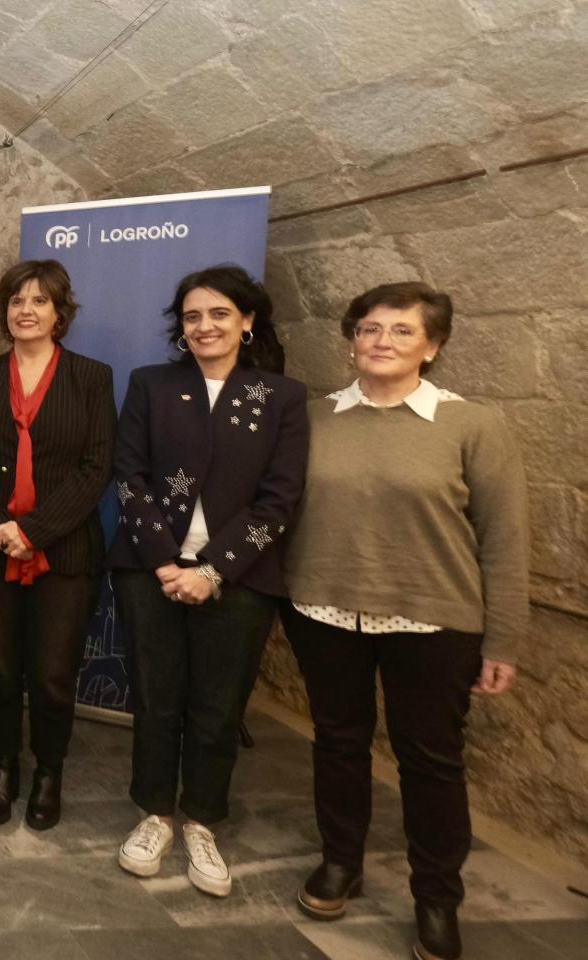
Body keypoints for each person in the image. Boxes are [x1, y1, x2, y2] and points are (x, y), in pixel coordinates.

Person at [283, 283, 528, 960]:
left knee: (430, 762)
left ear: (434, 345)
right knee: (337, 742)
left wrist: (504, 636)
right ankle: (341, 862)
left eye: (400, 330)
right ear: (352, 340)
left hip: (433, 621)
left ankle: (437, 899)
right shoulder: (315, 417)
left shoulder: (472, 426)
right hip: (325, 608)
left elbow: (504, 539)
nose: (380, 341)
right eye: (367, 329)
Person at [106, 264, 308, 898]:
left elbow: (279, 501)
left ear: (247, 321)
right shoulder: (153, 385)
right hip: (150, 569)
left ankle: (202, 820)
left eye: (220, 314)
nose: (205, 326)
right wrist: (168, 561)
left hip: (240, 580)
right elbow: (128, 474)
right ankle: (156, 815)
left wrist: (212, 571)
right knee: (156, 698)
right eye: (193, 316)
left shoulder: (279, 397)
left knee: (218, 707)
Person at [0, 260, 114, 832]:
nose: (26, 310)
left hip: (64, 552)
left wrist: (34, 531)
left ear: (58, 313)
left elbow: (96, 469)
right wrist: (1, 526)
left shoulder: (91, 377)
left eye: (40, 301)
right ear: (5, 311)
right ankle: (3, 767)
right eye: (17, 300)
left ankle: (49, 770)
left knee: (50, 674)